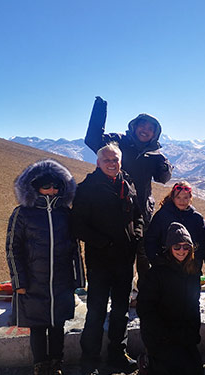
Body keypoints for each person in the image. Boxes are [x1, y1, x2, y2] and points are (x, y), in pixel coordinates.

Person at [71, 143, 144, 375]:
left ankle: (117, 354)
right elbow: (78, 225)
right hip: (100, 260)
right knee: (96, 312)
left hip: (124, 259)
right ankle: (90, 365)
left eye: (116, 159)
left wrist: (137, 233)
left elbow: (138, 213)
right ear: (98, 162)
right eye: (107, 160)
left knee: (122, 310)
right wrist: (102, 242)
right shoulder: (87, 188)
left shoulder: (128, 183)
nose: (112, 163)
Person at [6, 159, 85, 375]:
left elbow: (74, 248)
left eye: (56, 186)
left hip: (60, 281)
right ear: (35, 187)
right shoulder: (22, 213)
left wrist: (78, 279)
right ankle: (40, 368)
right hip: (33, 282)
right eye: (47, 186)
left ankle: (56, 365)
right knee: (38, 326)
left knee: (57, 325)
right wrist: (19, 281)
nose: (52, 191)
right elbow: (13, 248)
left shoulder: (65, 214)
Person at [84, 96, 172, 285]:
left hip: (142, 209)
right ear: (134, 126)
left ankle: (144, 294)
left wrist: (166, 166)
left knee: (144, 253)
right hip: (115, 209)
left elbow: (162, 179)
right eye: (143, 126)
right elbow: (92, 140)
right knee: (118, 253)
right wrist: (100, 110)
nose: (145, 131)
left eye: (150, 129)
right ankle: (117, 294)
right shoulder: (118, 142)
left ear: (155, 134)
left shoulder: (155, 154)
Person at [136, 222, 204, 375]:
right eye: (177, 247)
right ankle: (147, 362)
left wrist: (193, 333)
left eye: (186, 247)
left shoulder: (192, 272)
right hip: (160, 333)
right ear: (169, 247)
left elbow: (194, 305)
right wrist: (162, 334)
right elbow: (145, 308)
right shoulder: (157, 272)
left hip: (182, 331)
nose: (182, 251)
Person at [144, 181, 205, 272]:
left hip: (190, 268)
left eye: (185, 197)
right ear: (173, 198)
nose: (182, 201)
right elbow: (150, 240)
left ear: (190, 198)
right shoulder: (162, 216)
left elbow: (203, 243)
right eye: (178, 197)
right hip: (165, 268)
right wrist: (157, 261)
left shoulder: (196, 218)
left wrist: (196, 262)